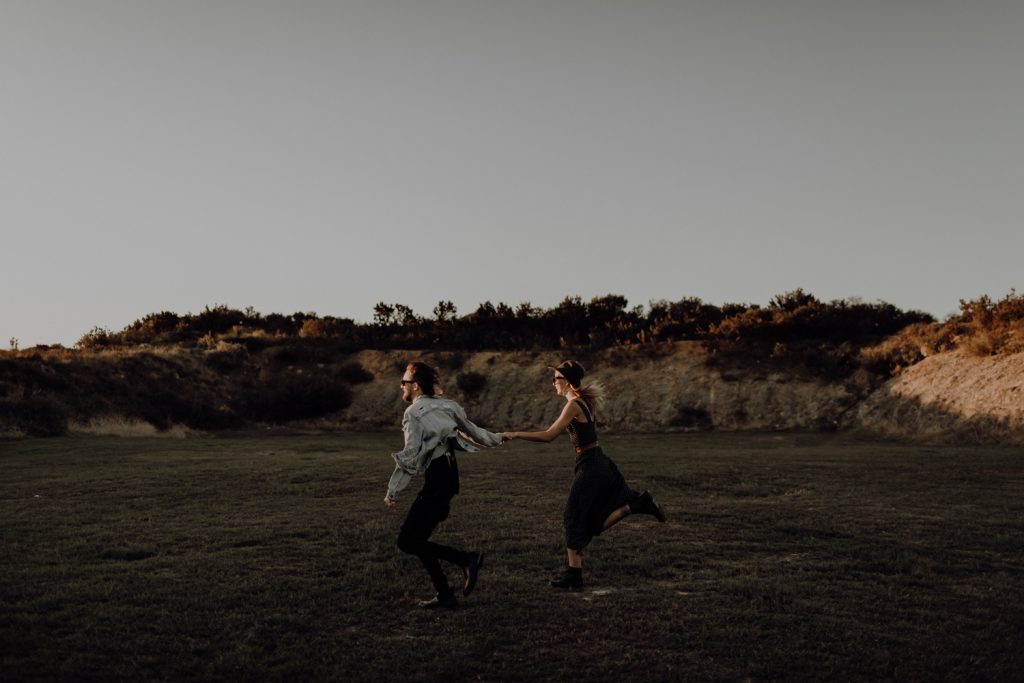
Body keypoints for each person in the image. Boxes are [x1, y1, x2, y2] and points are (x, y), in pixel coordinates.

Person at [502, 360, 666, 591]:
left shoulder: (574, 405)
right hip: (595, 462)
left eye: (556, 378)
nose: (553, 383)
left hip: (592, 465)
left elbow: (549, 435)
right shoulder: (581, 401)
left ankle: (574, 575)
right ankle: (636, 505)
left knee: (573, 516)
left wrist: (516, 433)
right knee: (586, 519)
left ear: (567, 382)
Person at [385, 361, 503, 609]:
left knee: (407, 542)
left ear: (415, 386)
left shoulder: (413, 413)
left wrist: (394, 489)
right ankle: (445, 595)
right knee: (419, 540)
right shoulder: (447, 406)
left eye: (404, 382)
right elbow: (474, 432)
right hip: (449, 479)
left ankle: (465, 559)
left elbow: (411, 456)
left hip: (437, 483)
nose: (401, 387)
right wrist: (499, 438)